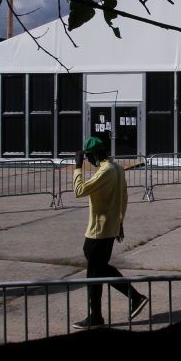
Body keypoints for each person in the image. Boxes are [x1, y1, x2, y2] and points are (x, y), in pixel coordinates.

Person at [72, 136, 148, 329]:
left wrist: (77, 167)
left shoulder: (105, 172)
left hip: (98, 231)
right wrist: (119, 222)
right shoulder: (118, 169)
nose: (88, 160)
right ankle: (100, 313)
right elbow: (124, 197)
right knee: (100, 270)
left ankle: (132, 299)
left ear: (96, 154)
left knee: (95, 273)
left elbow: (79, 190)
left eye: (88, 156)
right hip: (110, 229)